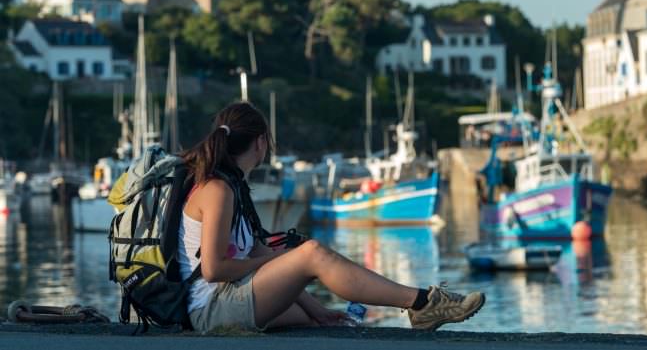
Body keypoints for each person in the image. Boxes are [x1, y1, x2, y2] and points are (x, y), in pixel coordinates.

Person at [178, 101, 485, 333]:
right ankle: (422, 303)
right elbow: (214, 269)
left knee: (315, 321)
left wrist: (318, 308)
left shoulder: (233, 186)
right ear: (260, 143)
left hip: (232, 299)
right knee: (310, 253)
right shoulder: (217, 189)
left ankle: (402, 309)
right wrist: (286, 260)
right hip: (211, 310)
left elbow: (257, 255)